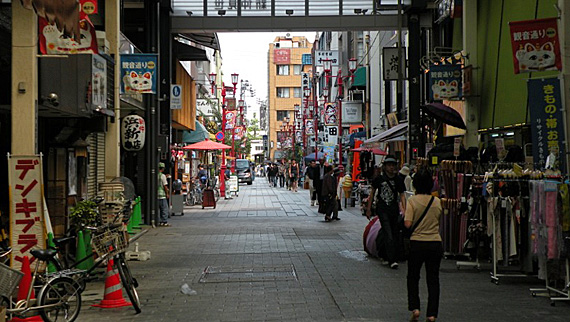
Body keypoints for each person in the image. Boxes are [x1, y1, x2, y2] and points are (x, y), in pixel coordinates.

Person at [404, 169, 443, 322]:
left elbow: (407, 224)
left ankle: (415, 309)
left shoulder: (412, 201)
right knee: (433, 279)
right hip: (435, 243)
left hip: (417, 243)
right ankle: (432, 314)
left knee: (413, 277)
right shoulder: (437, 201)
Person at [366, 155, 406, 269]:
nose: (391, 167)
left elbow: (402, 195)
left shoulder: (398, 180)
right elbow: (372, 193)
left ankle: (383, 254)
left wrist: (405, 209)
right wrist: (369, 209)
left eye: (393, 165)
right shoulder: (379, 179)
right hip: (382, 209)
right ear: (385, 167)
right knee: (388, 232)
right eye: (389, 165)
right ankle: (392, 260)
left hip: (394, 210)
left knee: (392, 232)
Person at [157, 162, 170, 227]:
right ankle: (164, 221)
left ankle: (159, 221)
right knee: (164, 208)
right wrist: (167, 193)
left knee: (158, 209)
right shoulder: (162, 176)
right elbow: (165, 186)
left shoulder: (155, 175)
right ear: (163, 168)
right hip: (162, 194)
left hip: (155, 194)